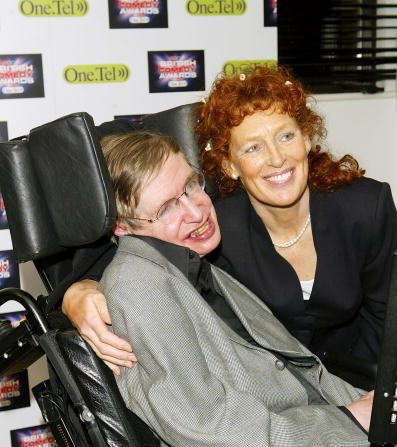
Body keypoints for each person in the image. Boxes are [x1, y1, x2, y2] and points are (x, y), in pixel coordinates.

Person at [63, 66, 397, 387]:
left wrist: (375, 396)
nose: (277, 158)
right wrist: (78, 290)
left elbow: (388, 319)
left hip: (364, 381)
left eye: (286, 136)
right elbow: (138, 246)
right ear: (229, 164)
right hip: (276, 394)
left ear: (307, 139)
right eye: (253, 147)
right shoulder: (212, 223)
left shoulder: (366, 206)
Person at [92, 129, 371, 445]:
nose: (197, 212)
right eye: (167, 208)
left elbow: (300, 375)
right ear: (122, 225)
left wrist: (371, 406)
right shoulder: (139, 286)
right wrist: (348, 419)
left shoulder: (189, 262)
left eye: (190, 185)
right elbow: (206, 426)